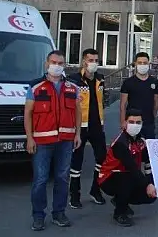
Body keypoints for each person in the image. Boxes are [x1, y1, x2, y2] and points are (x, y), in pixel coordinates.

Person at [24, 50, 83, 231]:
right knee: (40, 180)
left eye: (60, 63)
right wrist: (29, 138)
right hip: (42, 142)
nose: (56, 66)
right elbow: (28, 113)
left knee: (62, 178)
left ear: (64, 66)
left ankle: (59, 213)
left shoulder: (72, 87)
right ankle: (38, 216)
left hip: (65, 141)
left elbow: (78, 112)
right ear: (46, 64)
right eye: (53, 62)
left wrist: (78, 134)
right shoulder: (35, 87)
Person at [98, 109, 157, 227]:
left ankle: (120, 201)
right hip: (108, 179)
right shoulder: (121, 143)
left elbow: (147, 163)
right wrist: (147, 185)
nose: (135, 125)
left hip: (128, 176)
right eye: (131, 122)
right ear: (125, 123)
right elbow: (132, 167)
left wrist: (151, 183)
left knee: (151, 195)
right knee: (126, 176)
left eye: (138, 122)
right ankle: (119, 213)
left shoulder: (141, 141)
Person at [67, 49, 107, 209]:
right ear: (84, 61)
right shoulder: (73, 80)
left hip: (97, 125)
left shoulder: (100, 79)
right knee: (77, 161)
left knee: (102, 159)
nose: (93, 63)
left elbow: (101, 101)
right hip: (80, 126)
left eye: (96, 60)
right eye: (90, 60)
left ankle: (95, 190)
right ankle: (74, 194)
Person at [120, 52, 158, 139]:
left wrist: (152, 119)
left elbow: (156, 103)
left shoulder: (154, 82)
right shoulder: (128, 82)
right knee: (131, 149)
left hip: (148, 123)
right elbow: (123, 105)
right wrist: (123, 121)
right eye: (140, 63)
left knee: (148, 149)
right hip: (132, 123)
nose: (142, 65)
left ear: (148, 64)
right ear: (135, 64)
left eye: (145, 63)